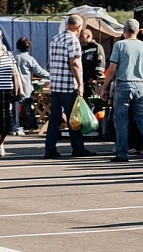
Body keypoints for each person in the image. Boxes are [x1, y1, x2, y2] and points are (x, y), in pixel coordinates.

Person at [100, 20, 143, 163]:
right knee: (141, 117)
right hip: (140, 85)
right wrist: (142, 83)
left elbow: (112, 69)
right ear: (138, 30)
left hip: (123, 85)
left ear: (124, 30)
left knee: (122, 121)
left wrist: (105, 87)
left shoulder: (120, 45)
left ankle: (122, 153)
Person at [45, 15, 95, 159]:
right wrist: (80, 83)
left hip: (55, 85)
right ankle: (78, 147)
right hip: (68, 85)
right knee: (74, 118)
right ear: (79, 27)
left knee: (54, 118)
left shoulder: (56, 38)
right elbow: (74, 63)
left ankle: (50, 149)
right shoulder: (73, 40)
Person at [13, 38, 48, 135]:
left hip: (12, 85)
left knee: (13, 107)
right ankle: (32, 124)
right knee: (27, 106)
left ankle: (14, 126)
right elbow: (39, 72)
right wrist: (51, 75)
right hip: (25, 86)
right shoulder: (29, 59)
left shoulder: (10, 55)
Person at [79, 29, 105, 99]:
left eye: (81, 36)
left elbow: (100, 64)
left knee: (90, 103)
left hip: (91, 82)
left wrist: (94, 77)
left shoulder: (96, 47)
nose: (79, 37)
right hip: (82, 82)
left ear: (88, 36)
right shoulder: (81, 48)